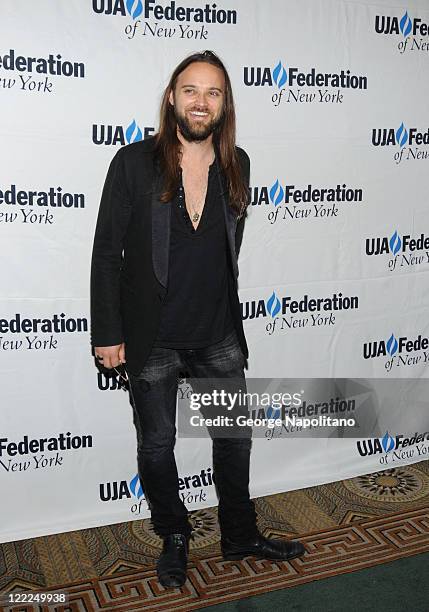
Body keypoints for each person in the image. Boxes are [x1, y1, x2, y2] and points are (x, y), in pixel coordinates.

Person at [90, 50, 305, 588]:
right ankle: (175, 535)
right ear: (172, 97)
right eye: (191, 90)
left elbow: (226, 249)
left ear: (224, 103)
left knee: (234, 439)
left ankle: (239, 532)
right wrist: (108, 332)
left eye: (213, 92)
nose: (201, 102)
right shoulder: (132, 163)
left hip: (217, 333)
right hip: (150, 338)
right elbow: (106, 252)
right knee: (157, 446)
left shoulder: (240, 164)